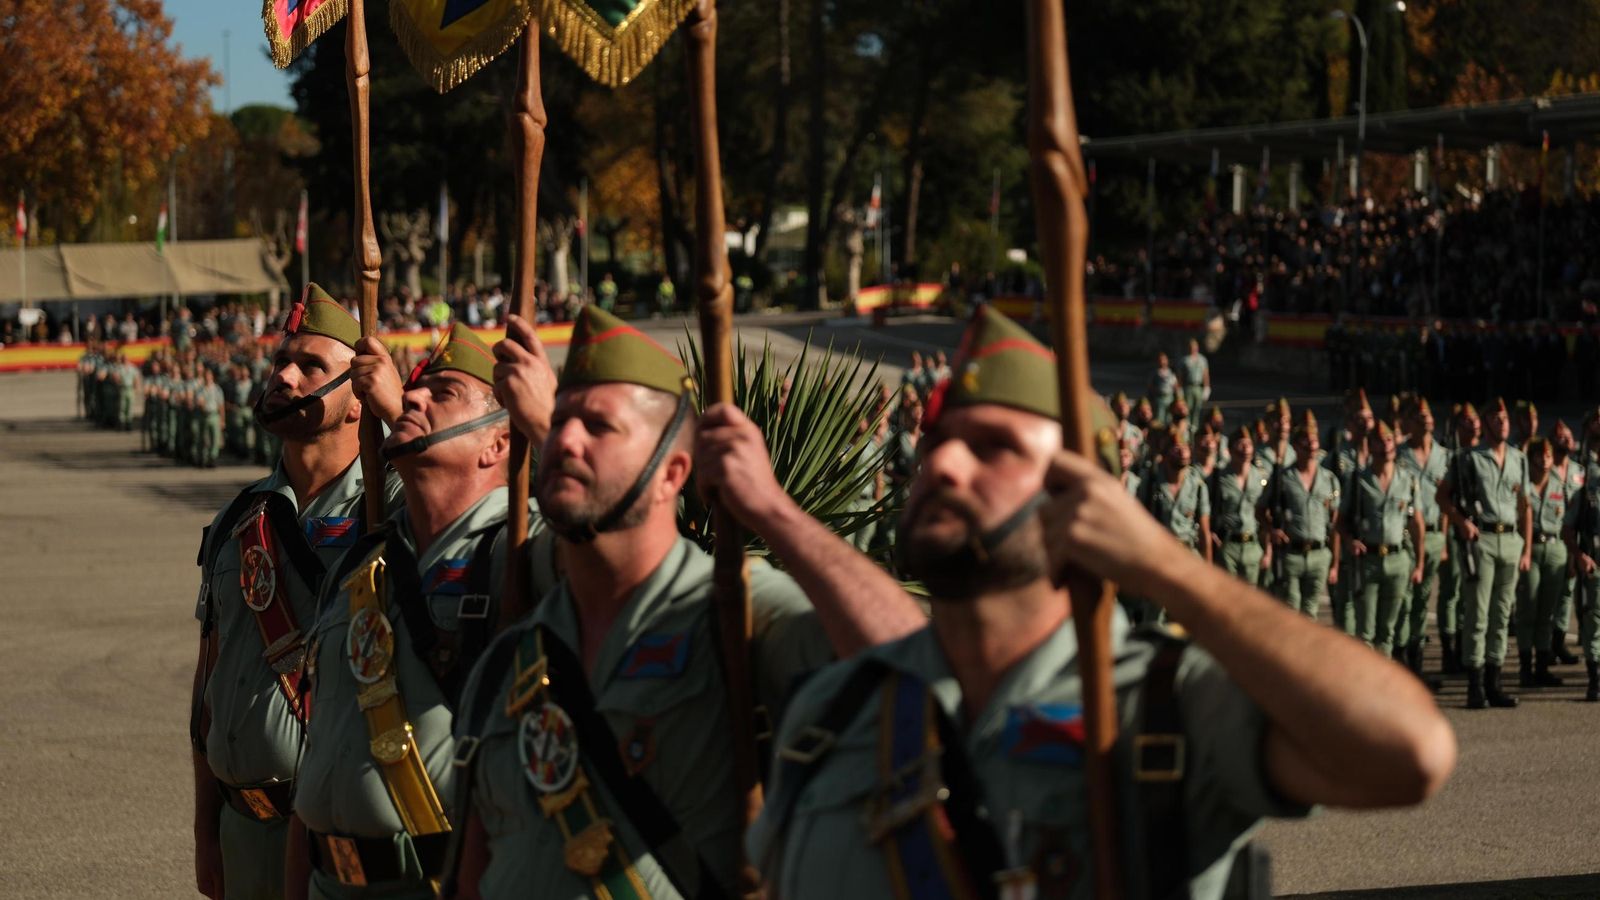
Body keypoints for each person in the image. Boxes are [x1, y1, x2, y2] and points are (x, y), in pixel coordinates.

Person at [747, 306, 1455, 899]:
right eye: (936, 442)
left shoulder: (1162, 703)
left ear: (1081, 498)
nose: (942, 464)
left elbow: (1409, 752)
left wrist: (1167, 567)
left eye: (993, 448)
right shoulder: (835, 708)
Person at [439, 306, 925, 899]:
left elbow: (913, 664)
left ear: (672, 474)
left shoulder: (733, 615)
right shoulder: (505, 663)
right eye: (560, 419)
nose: (564, 438)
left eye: (599, 426)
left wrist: (769, 508)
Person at [287, 322, 525, 900]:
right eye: (416, 390)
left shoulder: (520, 556)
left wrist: (542, 420)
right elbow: (316, 748)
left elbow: (611, 552)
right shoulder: (364, 562)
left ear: (497, 443)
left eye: (442, 394)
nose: (414, 395)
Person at [189, 287, 390, 900]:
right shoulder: (237, 518)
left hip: (341, 836)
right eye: (282, 362)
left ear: (358, 400)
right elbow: (208, 684)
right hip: (242, 829)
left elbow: (494, 500)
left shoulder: (392, 508)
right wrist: (205, 828)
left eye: (311, 367)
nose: (284, 376)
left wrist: (401, 409)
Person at [1436, 397, 1533, 710]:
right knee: (1478, 615)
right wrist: (1461, 522)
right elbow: (1443, 496)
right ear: (1486, 422)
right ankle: (1475, 685)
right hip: (1482, 540)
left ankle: (1495, 682)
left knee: (1502, 616)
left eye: (1505, 419)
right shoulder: (1469, 459)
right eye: (1497, 418)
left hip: (1510, 540)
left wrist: (1527, 546)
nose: (1502, 423)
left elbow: (1525, 506)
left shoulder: (1519, 459)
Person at [1338, 423, 1425, 657]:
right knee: (1365, 631)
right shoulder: (1358, 480)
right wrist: (1349, 541)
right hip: (1368, 561)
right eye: (1379, 440)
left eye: (1388, 440)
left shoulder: (1407, 479)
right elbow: (1341, 520)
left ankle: (1380, 683)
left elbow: (1416, 523)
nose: (1385, 445)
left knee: (1388, 630)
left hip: (1397, 559)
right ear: (1370, 445)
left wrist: (1419, 562)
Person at [1263, 416, 1341, 619]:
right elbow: (1260, 508)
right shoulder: (1282, 478)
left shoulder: (1329, 479)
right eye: (1305, 441)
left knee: (1310, 612)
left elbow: (1335, 523)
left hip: (1319, 553)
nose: (1311, 445)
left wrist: (1335, 563)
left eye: (1314, 441)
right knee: (1290, 610)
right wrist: (1272, 529)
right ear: (1295, 446)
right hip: (1291, 554)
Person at [1397, 398, 1451, 682]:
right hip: (1406, 536)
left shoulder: (1444, 455)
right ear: (1409, 423)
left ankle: (1416, 666)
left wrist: (1442, 539)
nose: (1425, 420)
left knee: (1422, 600)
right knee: (1404, 599)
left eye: (1428, 415)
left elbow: (1446, 500)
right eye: (1418, 416)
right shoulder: (1399, 454)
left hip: (1433, 534)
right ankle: (1402, 662)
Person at [1514, 436, 1570, 688]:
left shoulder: (1560, 483)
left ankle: (1542, 666)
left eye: (1548, 456)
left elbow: (1570, 521)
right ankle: (1525, 667)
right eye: (1540, 456)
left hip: (1555, 547)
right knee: (1528, 608)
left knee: (1548, 611)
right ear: (1532, 458)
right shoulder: (1522, 485)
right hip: (1530, 547)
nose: (1545, 461)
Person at [1565, 409, 1600, 701]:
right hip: (1594, 559)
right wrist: (1578, 554)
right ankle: (1595, 678)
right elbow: (1569, 525)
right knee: (1594, 621)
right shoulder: (1581, 472)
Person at [1209, 427, 1270, 587]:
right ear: (1229, 449)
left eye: (1249, 444)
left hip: (1252, 544)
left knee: (1250, 600)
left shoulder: (1261, 477)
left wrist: (1268, 550)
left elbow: (1266, 515)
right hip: (1228, 544)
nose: (1245, 449)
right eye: (1240, 444)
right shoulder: (1218, 478)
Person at [1179, 337, 1210, 420]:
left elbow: (1205, 374)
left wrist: (1207, 387)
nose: (1193, 348)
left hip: (1198, 387)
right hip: (1188, 387)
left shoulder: (1202, 359)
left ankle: (1195, 428)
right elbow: (1180, 376)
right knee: (1187, 409)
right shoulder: (1185, 360)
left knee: (1197, 410)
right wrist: (1180, 389)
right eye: (1191, 346)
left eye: (1195, 346)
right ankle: (1187, 429)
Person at [1147, 351, 1179, 425]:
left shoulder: (1171, 373)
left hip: (1169, 399)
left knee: (1169, 419)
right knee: (1159, 418)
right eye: (1160, 360)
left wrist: (1178, 397)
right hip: (1159, 399)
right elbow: (1150, 386)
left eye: (1164, 359)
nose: (1162, 362)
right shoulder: (1155, 373)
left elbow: (1175, 386)